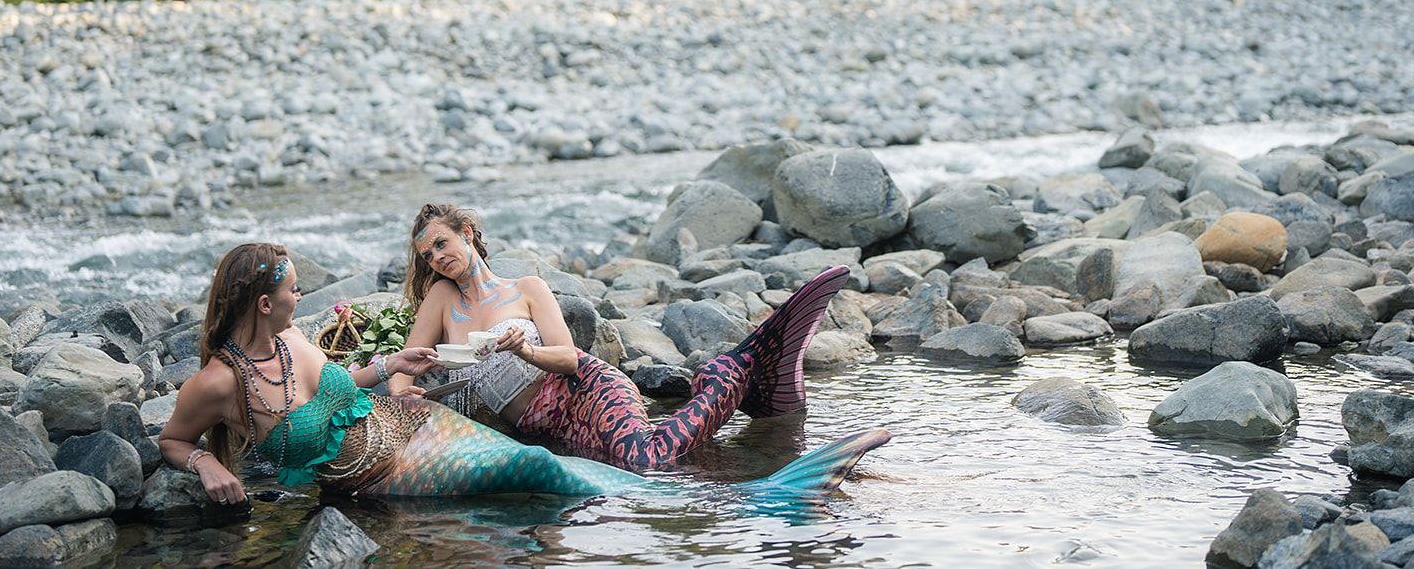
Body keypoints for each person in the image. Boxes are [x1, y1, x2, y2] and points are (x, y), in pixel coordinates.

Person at [158, 241, 886, 502]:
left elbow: (355, 373)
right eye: (290, 289)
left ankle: (750, 479)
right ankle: (752, 480)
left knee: (574, 462)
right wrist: (203, 465)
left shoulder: (294, 347)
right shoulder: (218, 382)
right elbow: (173, 437)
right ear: (264, 300)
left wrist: (392, 365)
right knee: (551, 470)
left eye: (444, 244)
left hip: (437, 422)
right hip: (383, 473)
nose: (299, 295)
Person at [387, 203, 847, 471]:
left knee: (645, 460)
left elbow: (568, 358)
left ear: (466, 234)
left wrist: (524, 348)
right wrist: (408, 396)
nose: (437, 257)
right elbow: (404, 370)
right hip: (547, 426)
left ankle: (730, 373)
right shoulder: (442, 299)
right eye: (427, 254)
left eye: (442, 244)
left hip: (583, 389)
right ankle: (727, 395)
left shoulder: (527, 288)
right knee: (629, 467)